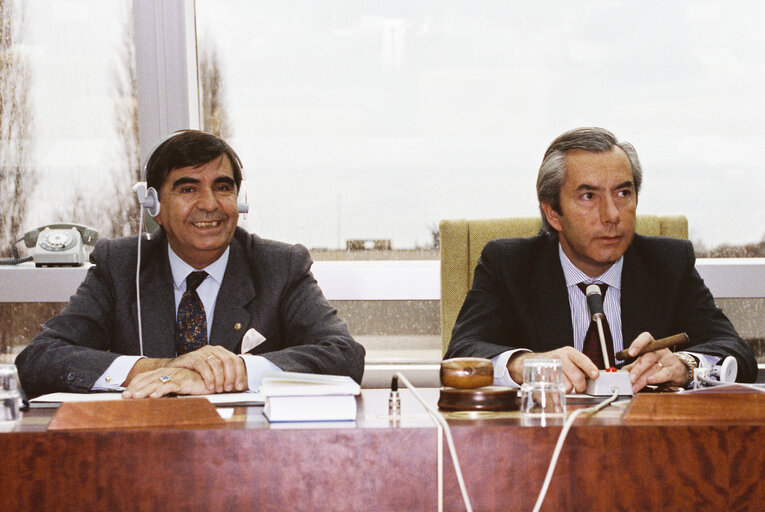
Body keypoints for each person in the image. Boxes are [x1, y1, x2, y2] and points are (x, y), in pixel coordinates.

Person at [16, 130, 365, 398]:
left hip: (248, 457)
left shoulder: (280, 265)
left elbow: (344, 356)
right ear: (155, 206)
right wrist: (160, 369)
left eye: (223, 187)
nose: (210, 204)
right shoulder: (121, 266)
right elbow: (39, 359)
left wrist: (230, 371)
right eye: (188, 189)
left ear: (239, 202)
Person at [445, 127, 757, 393]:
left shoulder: (667, 263)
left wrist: (686, 366)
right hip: (543, 447)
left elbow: (736, 352)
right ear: (553, 212)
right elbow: (461, 354)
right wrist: (522, 364)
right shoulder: (510, 265)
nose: (611, 216)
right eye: (588, 196)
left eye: (623, 193)